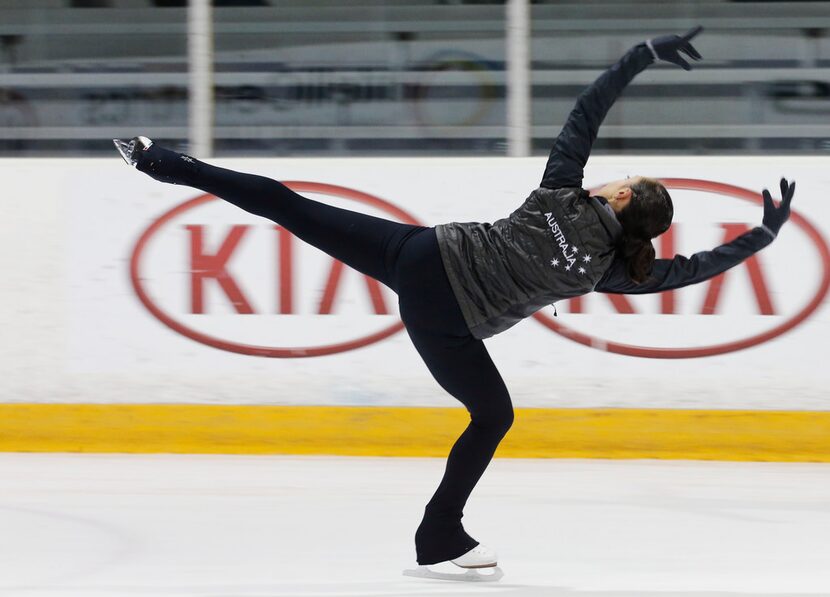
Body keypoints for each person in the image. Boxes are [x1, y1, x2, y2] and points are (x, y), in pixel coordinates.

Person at [114, 26, 794, 576]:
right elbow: (692, 270)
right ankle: (439, 533)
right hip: (444, 320)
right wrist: (759, 238)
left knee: (294, 208)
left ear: (620, 197)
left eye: (623, 179)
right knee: (492, 415)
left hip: (420, 253)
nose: (615, 177)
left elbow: (587, 110)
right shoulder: (608, 271)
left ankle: (159, 160)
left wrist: (639, 55)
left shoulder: (561, 191)